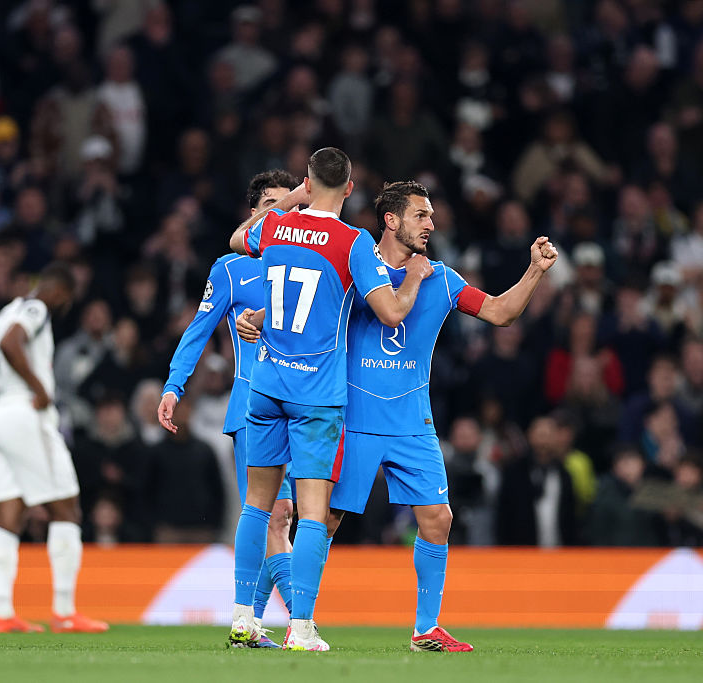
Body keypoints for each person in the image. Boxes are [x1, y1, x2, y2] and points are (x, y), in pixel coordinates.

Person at [240, 180, 557, 651]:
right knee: (318, 523)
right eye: (421, 215)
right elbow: (311, 307)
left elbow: (499, 313)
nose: (431, 224)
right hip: (352, 420)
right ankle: (271, 619)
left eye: (431, 216)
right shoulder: (355, 266)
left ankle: (425, 628)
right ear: (392, 220)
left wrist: (534, 270)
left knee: (438, 519)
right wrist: (262, 317)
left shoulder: (443, 279)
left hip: (413, 424)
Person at [226, 148, 429, 651]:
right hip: (316, 395)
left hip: (267, 384)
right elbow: (389, 313)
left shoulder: (274, 226)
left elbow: (235, 239)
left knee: (256, 505)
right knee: (312, 511)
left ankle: (241, 617)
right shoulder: (353, 241)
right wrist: (416, 279)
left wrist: (292, 200)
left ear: (308, 182)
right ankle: (300, 628)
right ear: (351, 188)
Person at [157, 169, 298, 648]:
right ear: (254, 215)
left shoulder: (315, 266)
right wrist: (174, 386)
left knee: (288, 519)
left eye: (294, 205)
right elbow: (197, 331)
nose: (286, 214)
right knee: (273, 515)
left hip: (306, 406)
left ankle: (250, 623)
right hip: (253, 406)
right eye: (274, 205)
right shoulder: (231, 268)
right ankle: (300, 620)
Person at [0, 263, 108, 634]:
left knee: (8, 514)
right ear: (61, 292)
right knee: (67, 508)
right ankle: (64, 612)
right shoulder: (36, 308)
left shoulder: (3, 312)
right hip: (26, 417)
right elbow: (10, 342)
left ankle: (1, 613)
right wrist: (38, 388)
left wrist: (11, 393)